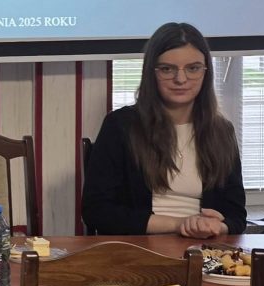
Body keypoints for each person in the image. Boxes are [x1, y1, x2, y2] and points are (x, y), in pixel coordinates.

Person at [82, 21, 247, 237]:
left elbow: (236, 215)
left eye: (193, 68)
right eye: (167, 69)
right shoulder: (120, 126)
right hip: (138, 247)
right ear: (151, 73)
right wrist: (181, 224)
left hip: (203, 248)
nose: (181, 79)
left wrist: (218, 226)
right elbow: (96, 211)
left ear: (206, 72)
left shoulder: (222, 131)